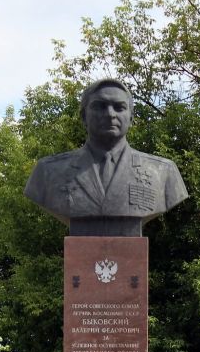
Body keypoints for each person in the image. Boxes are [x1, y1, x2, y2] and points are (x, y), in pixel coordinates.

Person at [24, 78, 188, 235]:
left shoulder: (163, 172)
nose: (110, 114)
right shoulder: (48, 171)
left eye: (119, 107)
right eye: (99, 106)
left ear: (131, 118)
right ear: (83, 116)